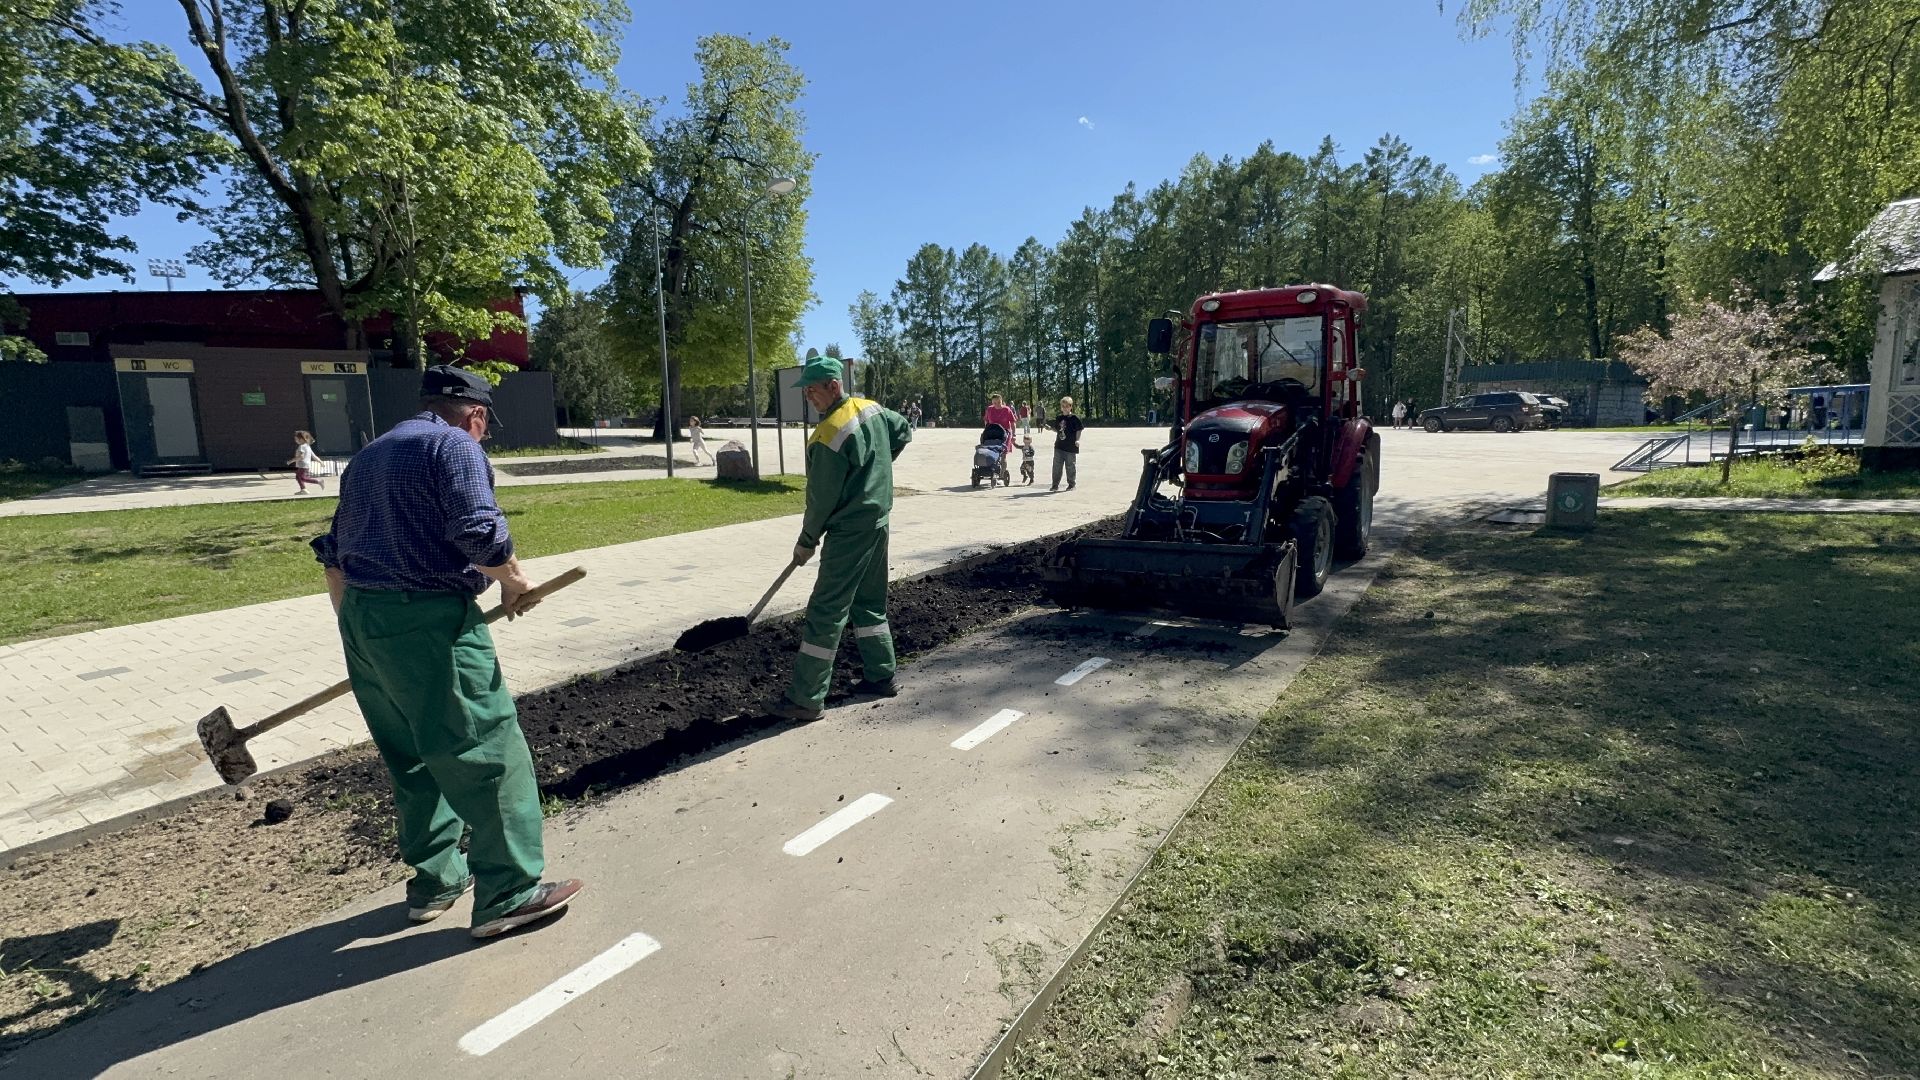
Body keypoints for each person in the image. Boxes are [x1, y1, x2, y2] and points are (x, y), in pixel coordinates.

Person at [311, 364, 582, 940]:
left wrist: (362, 627)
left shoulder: (370, 455)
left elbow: (332, 550)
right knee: (485, 749)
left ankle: (436, 880)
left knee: (410, 753)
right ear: (476, 416)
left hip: (361, 616)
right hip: (429, 619)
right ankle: (510, 891)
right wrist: (513, 581)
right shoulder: (452, 445)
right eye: (484, 427)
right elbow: (478, 530)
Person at [769, 357, 913, 722]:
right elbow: (903, 431)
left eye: (813, 390)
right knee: (868, 603)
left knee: (826, 610)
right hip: (877, 522)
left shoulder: (828, 436)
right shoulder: (873, 409)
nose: (809, 397)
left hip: (849, 532)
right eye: (805, 392)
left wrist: (806, 540)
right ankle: (881, 675)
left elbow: (821, 500)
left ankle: (806, 698)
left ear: (834, 385)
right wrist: (875, 470)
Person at [1049, 395, 1083, 491]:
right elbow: (1058, 430)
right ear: (1061, 407)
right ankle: (1055, 485)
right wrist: (1051, 429)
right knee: (1056, 467)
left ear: (1071, 406)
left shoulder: (1074, 418)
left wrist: (1077, 440)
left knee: (1070, 466)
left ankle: (1071, 484)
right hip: (1059, 446)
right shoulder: (1059, 418)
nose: (1065, 408)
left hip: (1071, 447)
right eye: (1063, 406)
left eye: (1067, 406)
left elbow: (1079, 429)